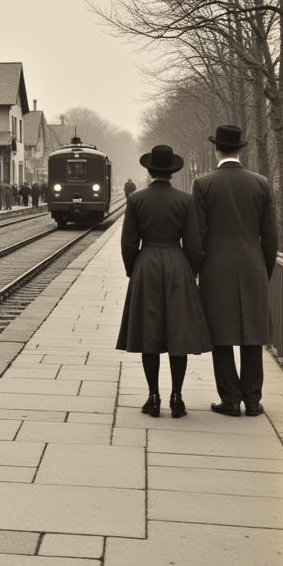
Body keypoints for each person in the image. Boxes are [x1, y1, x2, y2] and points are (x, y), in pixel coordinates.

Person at [117, 144, 211, 417]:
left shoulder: (136, 200)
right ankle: (177, 397)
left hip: (146, 264)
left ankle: (153, 396)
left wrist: (132, 270)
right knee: (177, 332)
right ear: (172, 172)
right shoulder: (185, 200)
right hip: (176, 263)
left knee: (150, 333)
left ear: (149, 170)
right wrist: (191, 270)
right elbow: (193, 243)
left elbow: (128, 243)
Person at [192, 124, 278, 417]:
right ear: (240, 150)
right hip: (254, 266)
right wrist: (263, 270)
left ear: (216, 149)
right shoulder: (261, 183)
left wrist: (196, 268)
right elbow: (270, 237)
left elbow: (197, 235)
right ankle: (253, 400)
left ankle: (229, 398)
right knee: (253, 333)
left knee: (221, 334)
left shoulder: (203, 184)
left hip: (216, 269)